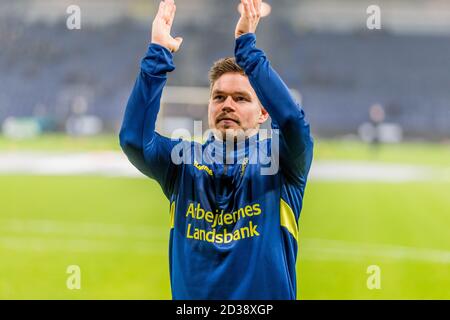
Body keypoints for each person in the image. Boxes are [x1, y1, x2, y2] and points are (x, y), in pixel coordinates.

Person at [119, 0, 314, 300]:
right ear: (209, 106)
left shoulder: (282, 162)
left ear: (264, 113)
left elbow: (292, 121)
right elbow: (133, 139)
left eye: (241, 98)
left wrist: (247, 49)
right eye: (219, 97)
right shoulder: (182, 163)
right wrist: (158, 51)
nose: (227, 105)